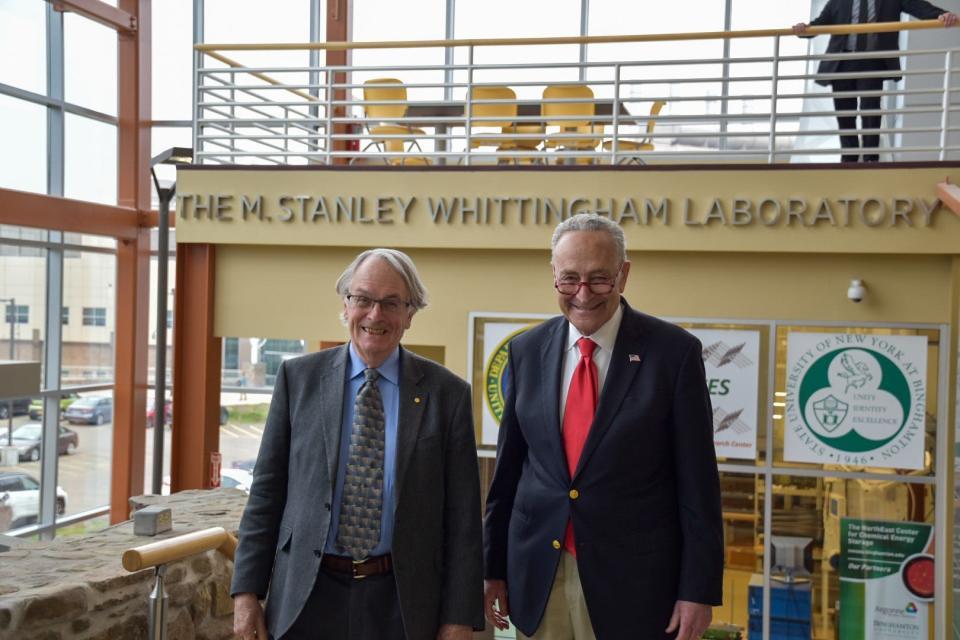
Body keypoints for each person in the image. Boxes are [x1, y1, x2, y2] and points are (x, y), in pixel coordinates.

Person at [482, 214, 724, 640]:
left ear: (624, 274)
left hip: (635, 587)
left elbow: (698, 484)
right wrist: (492, 569)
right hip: (540, 577)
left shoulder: (674, 354)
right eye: (569, 279)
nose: (582, 294)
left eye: (599, 279)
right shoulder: (526, 350)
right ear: (554, 276)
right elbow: (508, 476)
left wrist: (698, 590)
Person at [231, 248, 484, 640]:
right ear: (345, 305)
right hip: (307, 597)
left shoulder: (446, 394)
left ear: (410, 314)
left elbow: (463, 519)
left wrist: (458, 619)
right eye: (363, 299)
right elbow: (266, 494)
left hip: (402, 602)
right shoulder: (297, 379)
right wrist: (246, 594)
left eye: (390, 303)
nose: (375, 315)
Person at [792, 1, 958, 162]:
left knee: (870, 109)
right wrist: (803, 29)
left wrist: (941, 15)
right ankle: (849, 158)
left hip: (872, 61)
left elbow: (918, 6)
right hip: (842, 61)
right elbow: (821, 23)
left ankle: (870, 158)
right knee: (845, 113)